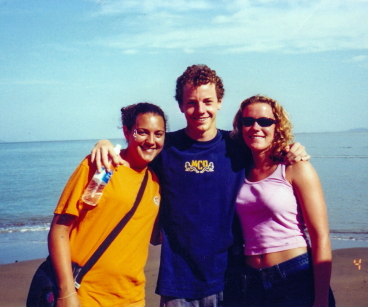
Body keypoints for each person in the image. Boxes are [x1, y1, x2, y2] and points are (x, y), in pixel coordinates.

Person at [91, 65, 310, 307]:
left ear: (220, 102)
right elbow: (131, 158)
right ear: (181, 105)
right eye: (192, 103)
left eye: (208, 101)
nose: (200, 110)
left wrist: (293, 149)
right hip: (178, 283)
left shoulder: (237, 146)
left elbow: (269, 156)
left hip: (231, 278)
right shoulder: (166, 147)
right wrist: (106, 145)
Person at [48, 103, 166, 307]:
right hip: (85, 295)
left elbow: (154, 236)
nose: (151, 141)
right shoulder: (100, 166)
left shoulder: (155, 182)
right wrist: (66, 293)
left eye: (159, 134)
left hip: (133, 298)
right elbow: (59, 229)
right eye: (142, 132)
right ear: (127, 132)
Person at [231, 95, 335, 307]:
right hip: (251, 282)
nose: (255, 127)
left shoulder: (295, 167)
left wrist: (321, 298)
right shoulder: (237, 169)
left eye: (265, 121)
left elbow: (320, 236)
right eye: (248, 121)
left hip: (295, 276)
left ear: (277, 126)